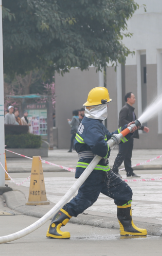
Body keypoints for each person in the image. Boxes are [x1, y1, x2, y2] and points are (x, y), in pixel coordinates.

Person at [47, 87, 146, 239]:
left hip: (101, 170)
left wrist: (127, 130)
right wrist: (112, 140)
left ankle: (127, 227)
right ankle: (55, 226)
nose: (107, 108)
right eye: (106, 105)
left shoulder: (95, 123)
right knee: (84, 200)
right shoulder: (91, 125)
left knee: (124, 192)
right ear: (101, 105)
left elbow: (111, 137)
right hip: (91, 170)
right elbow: (101, 146)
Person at [111, 92, 149, 177]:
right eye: (133, 97)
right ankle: (114, 170)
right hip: (124, 136)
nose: (135, 99)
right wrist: (130, 126)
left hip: (130, 136)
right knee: (122, 154)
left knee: (128, 155)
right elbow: (122, 121)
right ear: (128, 99)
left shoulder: (131, 110)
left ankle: (129, 172)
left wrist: (142, 128)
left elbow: (135, 123)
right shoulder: (125, 109)